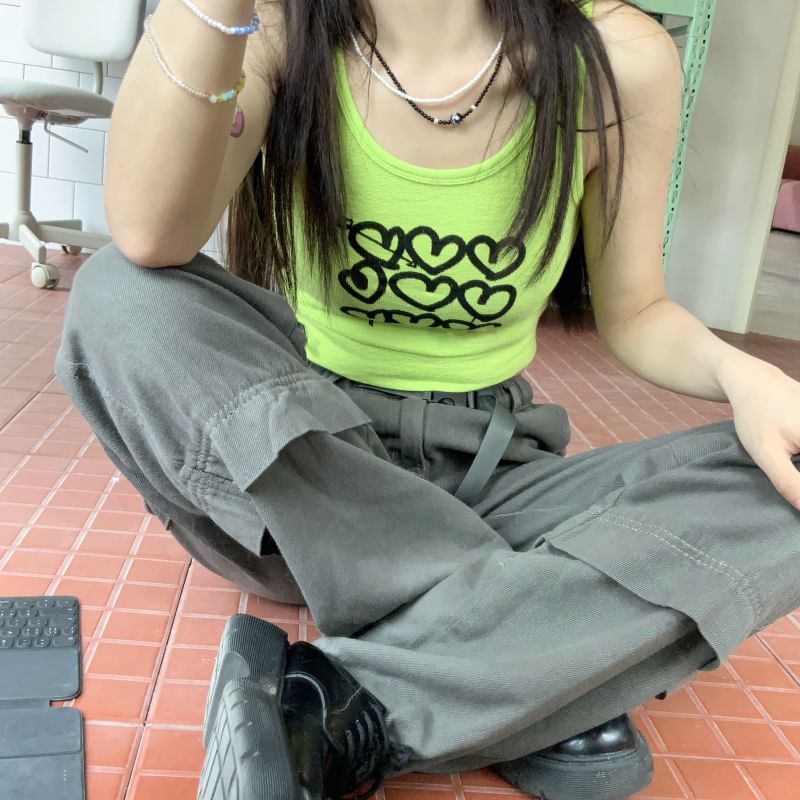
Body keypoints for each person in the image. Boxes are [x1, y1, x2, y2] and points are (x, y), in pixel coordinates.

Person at [55, 1, 800, 798]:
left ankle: (348, 705)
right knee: (118, 295)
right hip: (304, 478)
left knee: (787, 480)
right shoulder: (275, 29)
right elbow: (150, 237)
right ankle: (531, 659)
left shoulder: (618, 57)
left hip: (493, 475)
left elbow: (637, 310)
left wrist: (741, 373)